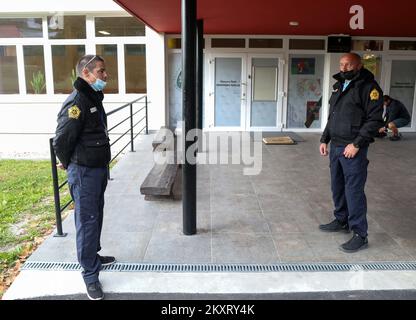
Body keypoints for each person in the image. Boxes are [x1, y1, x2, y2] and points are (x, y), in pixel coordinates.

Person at [53, 54, 115, 300]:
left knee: (95, 215)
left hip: (96, 169)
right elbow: (61, 139)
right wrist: (69, 164)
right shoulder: (77, 102)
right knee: (87, 221)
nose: (105, 75)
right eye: (101, 71)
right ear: (86, 73)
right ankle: (90, 275)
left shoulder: (93, 97)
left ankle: (94, 256)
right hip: (84, 171)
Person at [319, 53, 384, 253]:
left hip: (353, 149)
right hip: (336, 147)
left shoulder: (369, 88)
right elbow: (333, 117)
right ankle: (341, 220)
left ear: (359, 65)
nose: (344, 68)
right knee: (337, 186)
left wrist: (356, 144)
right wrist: (324, 139)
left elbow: (374, 120)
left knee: (353, 191)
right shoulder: (340, 85)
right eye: (341, 64)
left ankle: (360, 234)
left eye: (349, 64)